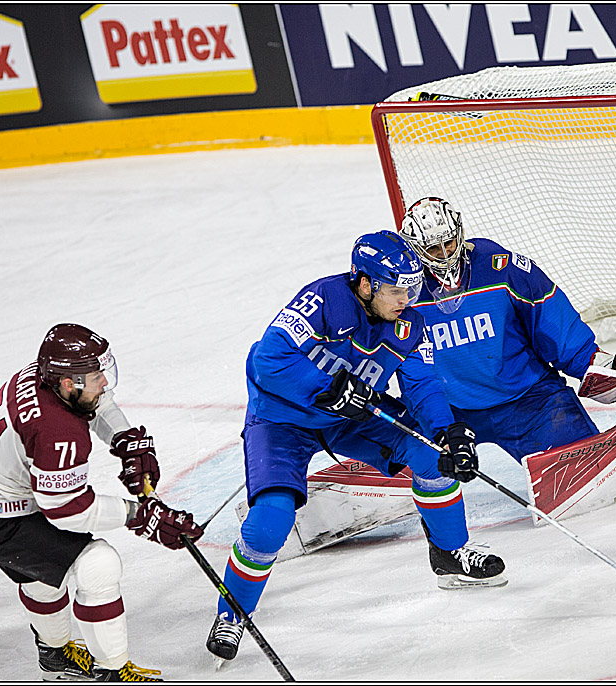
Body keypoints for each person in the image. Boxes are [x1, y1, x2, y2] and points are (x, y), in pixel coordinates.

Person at [205, 230, 507, 663]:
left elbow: (421, 385)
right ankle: (232, 613)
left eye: (413, 287)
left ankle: (450, 553)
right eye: (396, 289)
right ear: (365, 284)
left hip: (352, 415)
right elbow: (266, 361)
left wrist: (448, 430)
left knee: (432, 455)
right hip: (282, 419)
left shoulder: (410, 322)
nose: (407, 298)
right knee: (269, 524)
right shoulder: (322, 301)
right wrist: (326, 387)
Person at [0, 323, 204, 681]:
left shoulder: (44, 374)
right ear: (68, 383)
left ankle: (56, 655)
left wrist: (125, 439)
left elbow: (97, 402)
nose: (104, 383)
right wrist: (141, 517)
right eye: (96, 376)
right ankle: (111, 671)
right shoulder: (58, 432)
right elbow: (67, 510)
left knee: (46, 569)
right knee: (98, 564)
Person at [396, 196, 616, 464]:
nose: (445, 254)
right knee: (405, 455)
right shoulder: (397, 293)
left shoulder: (503, 269)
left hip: (528, 401)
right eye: (434, 248)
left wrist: (607, 367)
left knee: (585, 465)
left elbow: (558, 331)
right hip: (443, 412)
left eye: (449, 242)